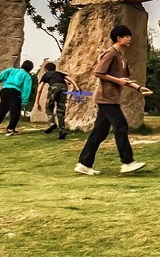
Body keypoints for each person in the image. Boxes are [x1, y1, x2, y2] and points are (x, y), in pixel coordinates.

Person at [75, 25, 150, 175]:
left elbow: (124, 79)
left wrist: (138, 88)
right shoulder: (110, 53)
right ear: (119, 38)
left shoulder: (121, 56)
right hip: (106, 97)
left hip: (112, 98)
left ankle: (84, 163)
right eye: (127, 36)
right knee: (121, 126)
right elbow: (98, 72)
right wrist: (117, 81)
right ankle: (127, 162)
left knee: (99, 133)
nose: (130, 39)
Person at [0, 60, 34, 137]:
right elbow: (26, 89)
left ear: (22, 65)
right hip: (15, 92)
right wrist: (24, 101)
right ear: (30, 69)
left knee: (2, 108)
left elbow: (1, 76)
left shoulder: (11, 70)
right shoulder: (27, 76)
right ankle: (10, 129)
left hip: (4, 90)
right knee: (15, 111)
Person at [38, 62, 77, 140]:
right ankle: (61, 130)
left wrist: (37, 101)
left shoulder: (46, 74)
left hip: (54, 87)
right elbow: (69, 79)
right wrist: (76, 87)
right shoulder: (59, 73)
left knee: (49, 106)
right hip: (64, 88)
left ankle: (52, 123)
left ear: (45, 70)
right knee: (60, 110)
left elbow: (40, 89)